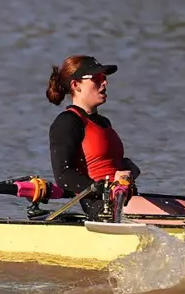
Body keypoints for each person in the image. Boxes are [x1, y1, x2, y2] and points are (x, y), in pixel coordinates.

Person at [46, 55, 141, 219]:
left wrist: (129, 169)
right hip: (101, 207)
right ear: (76, 85)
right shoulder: (67, 122)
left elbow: (111, 164)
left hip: (125, 200)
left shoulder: (104, 122)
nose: (104, 83)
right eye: (96, 78)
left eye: (104, 77)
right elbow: (63, 176)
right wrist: (106, 189)